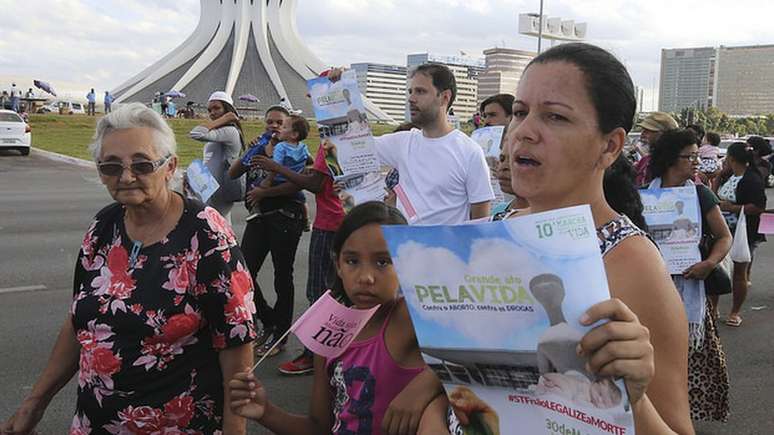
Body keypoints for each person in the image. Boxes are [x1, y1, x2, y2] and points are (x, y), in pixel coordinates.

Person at [1, 103, 256, 434]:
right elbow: (80, 321)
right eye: (110, 166)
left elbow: (235, 344)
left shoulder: (205, 233)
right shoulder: (103, 226)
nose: (125, 176)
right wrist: (35, 403)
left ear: (169, 167)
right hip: (94, 423)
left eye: (142, 164)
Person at [500, 43, 694, 433]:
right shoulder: (503, 223)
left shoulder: (633, 262)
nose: (524, 131)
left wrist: (632, 397)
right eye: (520, 112)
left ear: (610, 146)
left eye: (554, 116)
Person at [228, 202, 446, 435]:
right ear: (338, 265)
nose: (366, 277)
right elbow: (318, 427)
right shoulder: (329, 331)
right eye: (352, 261)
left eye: (383, 262)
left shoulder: (408, 317)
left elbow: (482, 345)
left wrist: (424, 388)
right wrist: (266, 412)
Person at [331, 64, 494, 224]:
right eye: (410, 91)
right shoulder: (402, 143)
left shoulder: (470, 152)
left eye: (420, 91)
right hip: (403, 247)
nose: (411, 98)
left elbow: (480, 222)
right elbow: (349, 147)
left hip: (447, 250)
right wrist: (340, 90)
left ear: (445, 97)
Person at [647, 128, 732, 421]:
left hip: (689, 285)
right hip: (653, 287)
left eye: (697, 155)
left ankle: (678, 418)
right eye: (690, 157)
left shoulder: (700, 193)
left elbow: (724, 237)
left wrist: (709, 264)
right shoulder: (646, 195)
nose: (697, 162)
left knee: (688, 359)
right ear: (671, 158)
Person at [250, 126, 347, 375]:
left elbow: (314, 184)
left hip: (328, 225)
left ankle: (313, 355)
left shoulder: (330, 144)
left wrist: (276, 168)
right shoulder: (345, 142)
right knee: (339, 293)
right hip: (343, 220)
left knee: (318, 292)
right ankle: (332, 354)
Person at [227, 105, 305, 359]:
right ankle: (268, 320)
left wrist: (265, 192)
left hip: (285, 216)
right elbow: (234, 172)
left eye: (279, 123)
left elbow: (298, 184)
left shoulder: (295, 150)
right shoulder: (260, 147)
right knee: (244, 271)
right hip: (258, 217)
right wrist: (253, 150)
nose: (274, 126)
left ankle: (280, 333)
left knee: (283, 275)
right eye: (270, 122)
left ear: (289, 128)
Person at [714, 142, 767, 327]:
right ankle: (713, 309)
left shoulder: (751, 179)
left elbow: (758, 206)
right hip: (721, 230)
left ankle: (735, 312)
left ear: (732, 158)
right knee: (716, 269)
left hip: (742, 232)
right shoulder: (729, 175)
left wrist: (733, 208)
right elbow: (714, 197)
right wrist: (719, 177)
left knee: (739, 272)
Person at [189, 91, 245, 224]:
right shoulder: (219, 132)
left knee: (216, 224)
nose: (212, 113)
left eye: (217, 108)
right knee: (220, 223)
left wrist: (225, 119)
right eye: (209, 110)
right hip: (208, 186)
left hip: (220, 187)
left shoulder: (230, 132)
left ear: (227, 109)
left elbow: (196, 133)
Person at [633, 111, 678, 186]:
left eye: (647, 131)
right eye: (643, 130)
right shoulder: (645, 161)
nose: (642, 135)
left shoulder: (678, 163)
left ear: (662, 134)